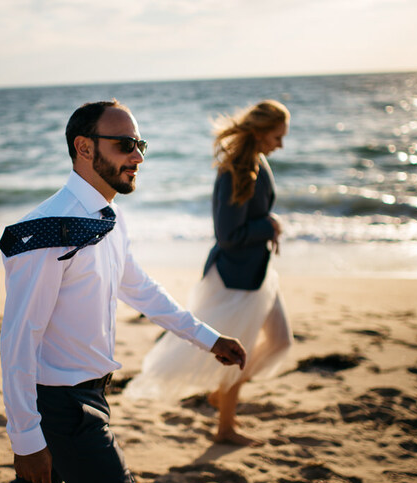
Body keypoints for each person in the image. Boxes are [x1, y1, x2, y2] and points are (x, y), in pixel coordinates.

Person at [0, 99, 247, 483]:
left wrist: (208, 338)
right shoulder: (46, 230)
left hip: (93, 394)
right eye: (126, 144)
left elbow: (140, 289)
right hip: (63, 407)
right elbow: (19, 338)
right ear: (85, 147)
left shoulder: (108, 215)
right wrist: (25, 437)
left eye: (140, 143)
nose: (138, 156)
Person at [125, 100, 295, 446]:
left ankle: (222, 395)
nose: (281, 144)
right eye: (277, 136)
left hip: (258, 274)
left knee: (280, 341)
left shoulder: (258, 162)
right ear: (261, 132)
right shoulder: (234, 169)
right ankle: (225, 427)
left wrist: (267, 225)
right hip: (233, 279)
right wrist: (268, 224)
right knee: (238, 352)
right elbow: (228, 236)